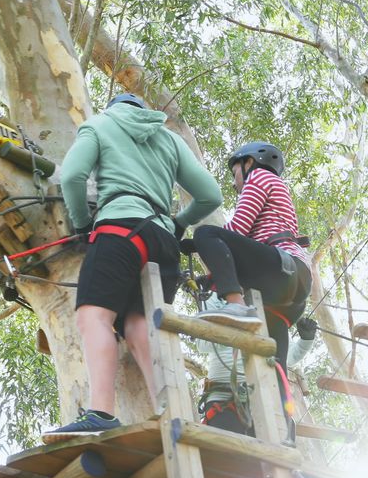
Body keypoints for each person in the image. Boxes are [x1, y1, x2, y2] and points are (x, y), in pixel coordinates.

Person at [41, 93, 222, 443]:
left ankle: (101, 413)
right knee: (140, 326)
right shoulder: (168, 136)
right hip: (162, 241)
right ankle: (174, 417)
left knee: (94, 317)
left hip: (119, 229)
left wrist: (82, 225)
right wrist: (178, 223)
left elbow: (73, 177)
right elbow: (210, 195)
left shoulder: (99, 124)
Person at [187, 142, 313, 374]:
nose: (235, 184)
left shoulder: (259, 176)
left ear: (249, 162)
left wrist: (200, 243)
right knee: (273, 366)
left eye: (235, 173)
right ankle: (282, 409)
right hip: (289, 290)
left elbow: (237, 230)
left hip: (282, 269)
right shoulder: (276, 186)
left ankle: (237, 307)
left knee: (205, 232)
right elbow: (248, 253)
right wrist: (214, 276)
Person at [197, 295, 318, 436]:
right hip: (224, 398)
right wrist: (240, 319)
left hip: (265, 399)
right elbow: (203, 342)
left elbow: (286, 356)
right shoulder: (215, 296)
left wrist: (306, 340)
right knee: (231, 455)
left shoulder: (265, 302)